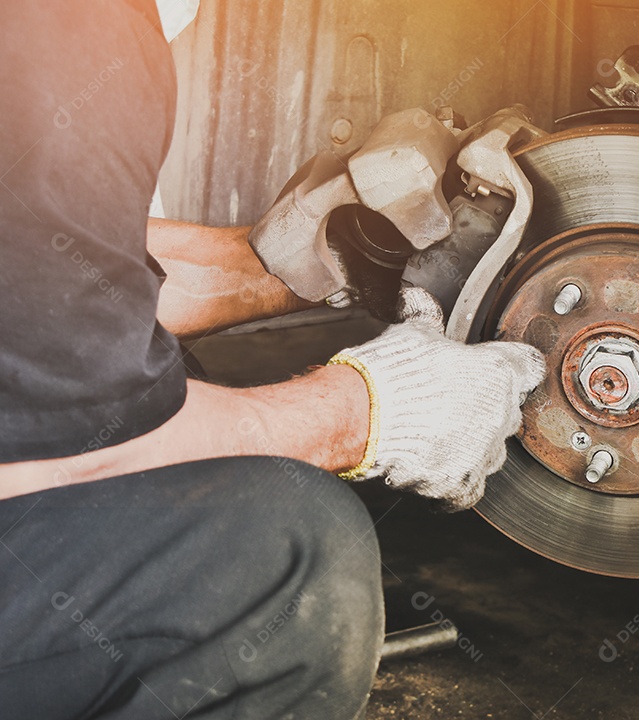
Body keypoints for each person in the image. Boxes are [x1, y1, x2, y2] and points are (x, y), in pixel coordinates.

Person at [0, 1, 545, 717]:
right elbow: (57, 450)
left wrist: (302, 262)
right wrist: (368, 413)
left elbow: (41, 272)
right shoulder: (75, 31)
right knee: (286, 566)